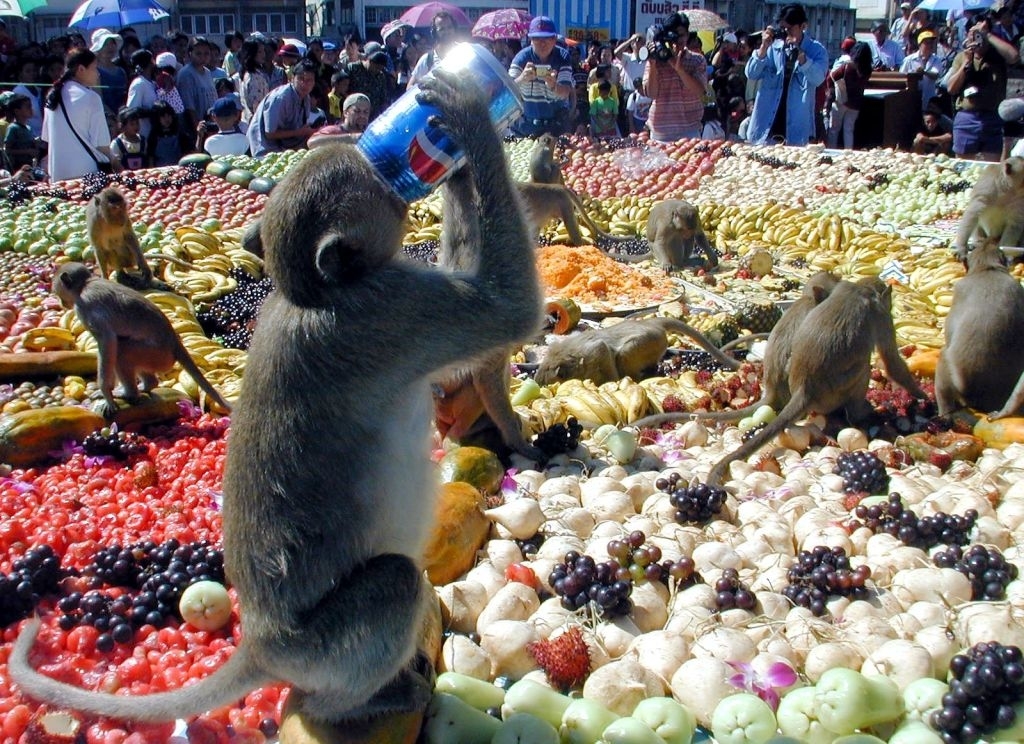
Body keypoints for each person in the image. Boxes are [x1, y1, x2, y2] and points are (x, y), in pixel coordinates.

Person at [745, 4, 828, 146]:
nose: (785, 33)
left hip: (797, 130)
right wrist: (763, 48)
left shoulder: (816, 50)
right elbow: (751, 73)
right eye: (783, 28)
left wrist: (802, 58)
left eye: (790, 29)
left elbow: (818, 79)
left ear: (803, 26)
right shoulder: (772, 48)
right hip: (766, 128)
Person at [944, 14, 1020, 159]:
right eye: (974, 33)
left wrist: (988, 34)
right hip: (967, 117)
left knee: (991, 166)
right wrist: (966, 64)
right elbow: (951, 89)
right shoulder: (962, 57)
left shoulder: (997, 55)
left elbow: (1014, 56)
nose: (978, 37)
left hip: (992, 116)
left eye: (981, 33)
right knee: (964, 167)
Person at [41, 48, 121, 181]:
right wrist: (117, 164)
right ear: (81, 69)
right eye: (95, 68)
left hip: (58, 175)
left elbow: (48, 139)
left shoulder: (52, 95)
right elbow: (101, 144)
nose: (98, 74)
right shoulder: (91, 98)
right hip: (88, 173)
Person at [642, 11, 706, 142]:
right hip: (661, 130)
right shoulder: (656, 59)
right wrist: (653, 64)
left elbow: (700, 91)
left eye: (681, 35)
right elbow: (652, 93)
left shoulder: (697, 60)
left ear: (688, 35)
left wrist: (679, 69)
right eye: (673, 36)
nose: (677, 40)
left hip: (690, 129)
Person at [508, 16, 574, 137]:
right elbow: (507, 92)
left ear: (554, 39)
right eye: (537, 38)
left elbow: (565, 92)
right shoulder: (521, 58)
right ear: (530, 40)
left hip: (556, 126)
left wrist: (553, 85)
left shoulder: (563, 57)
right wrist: (522, 79)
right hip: (526, 127)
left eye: (547, 38)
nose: (542, 43)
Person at [247, 58, 318, 158]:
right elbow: (269, 133)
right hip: (264, 147)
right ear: (292, 78)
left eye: (309, 80)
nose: (304, 84)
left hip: (285, 147)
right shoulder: (280, 98)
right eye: (300, 78)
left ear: (314, 82)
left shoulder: (306, 98)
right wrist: (300, 132)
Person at [826, 41, 873, 149]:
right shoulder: (867, 70)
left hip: (841, 100)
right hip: (856, 103)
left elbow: (830, 77)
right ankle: (849, 153)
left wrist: (831, 91)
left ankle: (831, 151)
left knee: (834, 130)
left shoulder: (847, 67)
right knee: (849, 130)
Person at [407, 11, 461, 89]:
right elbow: (409, 87)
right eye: (442, 29)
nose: (447, 32)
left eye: (449, 27)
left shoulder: (465, 52)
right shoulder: (428, 59)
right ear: (434, 33)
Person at [176, 37, 218, 136]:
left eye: (206, 53)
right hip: (196, 128)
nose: (203, 57)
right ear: (190, 53)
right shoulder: (186, 74)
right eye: (198, 53)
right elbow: (189, 106)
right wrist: (198, 131)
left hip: (211, 125)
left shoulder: (207, 72)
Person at [900, 29, 945, 109]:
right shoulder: (909, 60)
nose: (930, 45)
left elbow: (935, 75)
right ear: (920, 44)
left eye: (931, 43)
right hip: (911, 101)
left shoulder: (936, 60)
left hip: (929, 101)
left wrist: (924, 72)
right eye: (927, 43)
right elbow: (901, 78)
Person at [347, 46, 390, 119]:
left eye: (380, 69)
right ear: (370, 61)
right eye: (376, 67)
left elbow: (383, 98)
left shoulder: (380, 76)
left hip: (373, 115)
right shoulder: (353, 68)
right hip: (355, 112)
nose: (378, 70)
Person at [91, 29, 127, 115]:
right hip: (106, 118)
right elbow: (99, 100)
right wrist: (113, 117)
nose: (110, 47)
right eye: (105, 44)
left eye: (112, 43)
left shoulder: (121, 71)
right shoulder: (95, 72)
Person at [125, 49, 158, 141]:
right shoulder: (139, 83)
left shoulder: (153, 83)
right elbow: (132, 110)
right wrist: (153, 112)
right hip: (143, 137)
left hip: (155, 137)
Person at [236, 40, 269, 123]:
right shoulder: (253, 77)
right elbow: (256, 105)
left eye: (264, 51)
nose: (263, 54)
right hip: (255, 121)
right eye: (259, 52)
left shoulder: (250, 73)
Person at [4, 94, 39, 172]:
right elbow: (7, 150)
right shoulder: (13, 128)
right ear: (17, 111)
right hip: (17, 170)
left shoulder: (28, 128)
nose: (31, 109)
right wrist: (27, 151)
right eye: (28, 107)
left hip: (29, 168)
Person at [146, 99, 185, 166]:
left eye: (169, 115)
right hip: (160, 171)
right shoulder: (153, 136)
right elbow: (151, 157)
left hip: (178, 170)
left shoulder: (179, 133)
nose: (167, 119)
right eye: (163, 116)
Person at [10, 58, 42, 138]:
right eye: (28, 71)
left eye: (34, 71)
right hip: (28, 139)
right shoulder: (18, 91)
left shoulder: (39, 90)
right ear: (20, 74)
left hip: (42, 137)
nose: (32, 74)